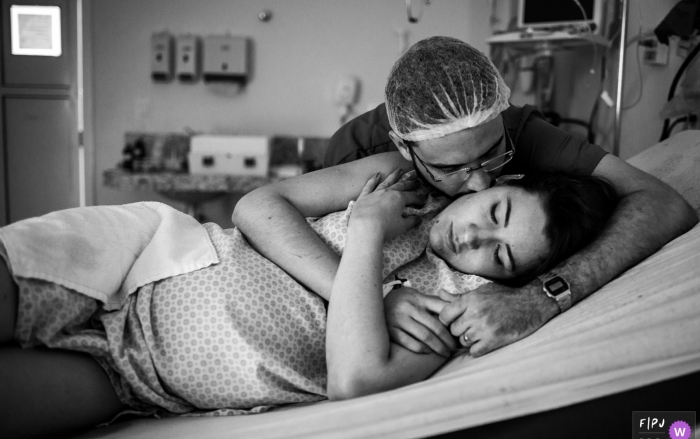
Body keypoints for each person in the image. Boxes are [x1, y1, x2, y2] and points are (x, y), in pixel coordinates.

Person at [0, 168, 615, 439]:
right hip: (139, 259)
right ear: (494, 184)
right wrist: (375, 284)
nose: (476, 239)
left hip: (136, 376)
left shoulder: (456, 310)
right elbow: (254, 207)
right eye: (498, 214)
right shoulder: (397, 182)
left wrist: (368, 236)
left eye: (502, 258)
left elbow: (355, 381)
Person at [235, 36, 697, 359]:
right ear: (402, 147)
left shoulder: (521, 130)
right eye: (450, 170)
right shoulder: (358, 154)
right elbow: (266, 214)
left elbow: (663, 203)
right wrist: (374, 299)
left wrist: (545, 294)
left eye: (493, 156)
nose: (478, 184)